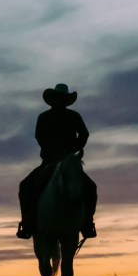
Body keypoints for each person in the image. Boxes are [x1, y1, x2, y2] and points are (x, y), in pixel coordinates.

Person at [17, 83, 97, 240]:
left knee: (90, 187)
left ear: (66, 100)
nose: (59, 101)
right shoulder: (44, 117)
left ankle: (88, 223)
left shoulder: (74, 116)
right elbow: (40, 136)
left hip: (69, 160)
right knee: (26, 185)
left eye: (62, 98)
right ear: (53, 99)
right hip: (49, 160)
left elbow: (84, 134)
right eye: (57, 98)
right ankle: (27, 222)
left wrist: (73, 149)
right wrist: (53, 150)